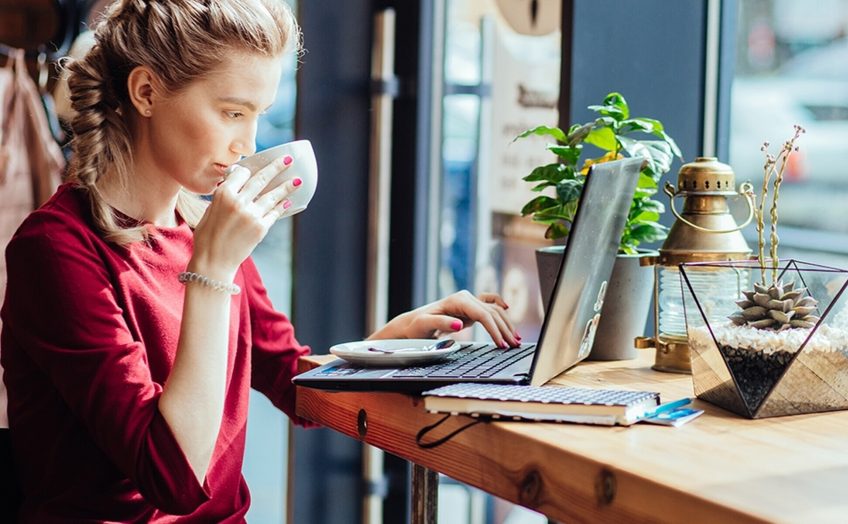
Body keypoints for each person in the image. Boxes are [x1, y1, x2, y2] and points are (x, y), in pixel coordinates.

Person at [0, 1, 520, 521]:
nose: (247, 144)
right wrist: (213, 273)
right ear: (147, 92)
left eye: (258, 115)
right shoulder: (56, 251)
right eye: (232, 112)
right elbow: (174, 478)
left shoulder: (206, 226)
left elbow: (292, 382)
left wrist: (389, 347)